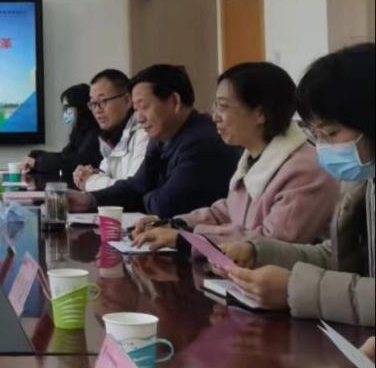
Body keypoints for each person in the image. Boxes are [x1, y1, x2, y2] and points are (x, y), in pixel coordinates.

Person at [219, 44, 375, 326]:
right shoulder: (364, 181)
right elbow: (339, 255)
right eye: (316, 134)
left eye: (331, 133)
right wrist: (258, 252)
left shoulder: (306, 168)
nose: (321, 147)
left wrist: (296, 290)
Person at [132, 62, 339, 250]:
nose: (215, 117)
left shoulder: (306, 170)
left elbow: (271, 244)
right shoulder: (253, 156)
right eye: (215, 106)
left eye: (223, 106)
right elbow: (227, 212)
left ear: (260, 113)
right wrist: (175, 224)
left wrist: (187, 238)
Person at [68, 64, 240, 218]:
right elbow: (135, 186)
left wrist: (142, 194)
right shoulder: (160, 138)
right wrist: (88, 200)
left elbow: (164, 206)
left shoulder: (202, 142)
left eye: (143, 107)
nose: (139, 118)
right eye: (135, 109)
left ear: (174, 101)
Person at [73, 69, 149, 192]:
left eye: (102, 101)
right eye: (93, 103)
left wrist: (90, 181)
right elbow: (105, 175)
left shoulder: (144, 132)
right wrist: (88, 175)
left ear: (127, 100)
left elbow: (132, 190)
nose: (97, 110)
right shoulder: (109, 137)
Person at [22, 83, 100, 187]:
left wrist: (37, 163)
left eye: (67, 107)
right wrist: (36, 155)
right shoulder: (79, 132)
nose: (64, 112)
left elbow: (73, 163)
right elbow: (65, 156)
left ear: (81, 107)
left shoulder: (95, 133)